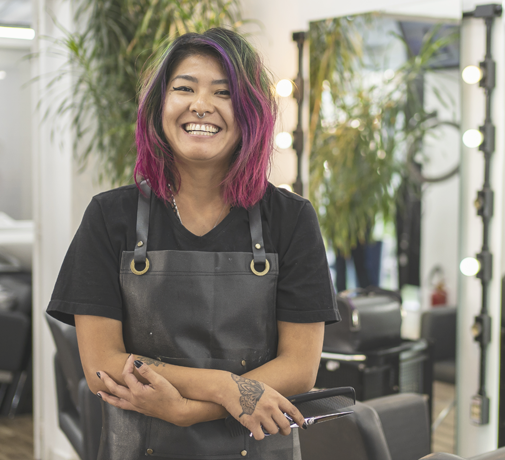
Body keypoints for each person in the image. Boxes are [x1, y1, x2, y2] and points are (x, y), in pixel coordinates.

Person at [47, 28, 340, 460]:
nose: (201, 105)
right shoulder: (111, 217)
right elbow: (102, 366)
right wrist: (226, 387)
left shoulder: (291, 219)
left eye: (224, 93)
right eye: (184, 88)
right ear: (159, 106)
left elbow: (300, 367)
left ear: (250, 113)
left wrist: (188, 412)